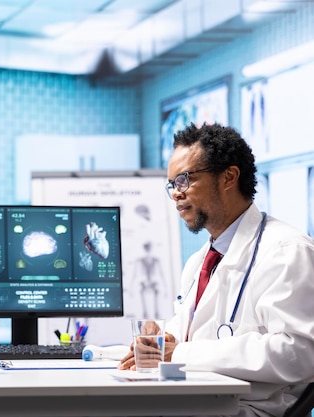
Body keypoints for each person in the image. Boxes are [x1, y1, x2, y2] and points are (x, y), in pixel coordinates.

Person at [118, 123, 314, 417]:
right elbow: (194, 331)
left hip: (249, 409)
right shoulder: (200, 261)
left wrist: (178, 353)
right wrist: (165, 338)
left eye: (184, 179)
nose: (176, 194)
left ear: (229, 177)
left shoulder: (287, 250)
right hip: (200, 399)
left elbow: (298, 353)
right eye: (172, 184)